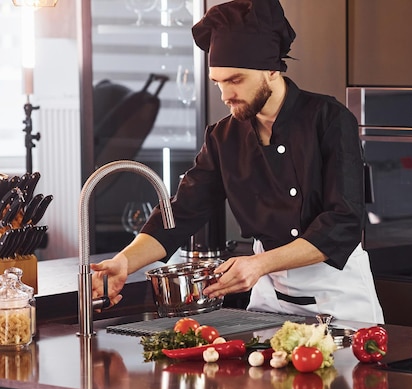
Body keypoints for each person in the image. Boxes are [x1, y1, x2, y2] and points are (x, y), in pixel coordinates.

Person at [91, 0, 384, 324]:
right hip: (270, 299)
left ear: (272, 69)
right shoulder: (223, 138)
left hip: (340, 299)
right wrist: (123, 263)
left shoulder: (329, 120)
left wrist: (258, 264)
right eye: (218, 82)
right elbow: (180, 214)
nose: (224, 95)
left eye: (235, 80)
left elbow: (343, 222)